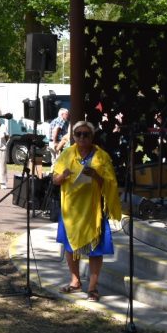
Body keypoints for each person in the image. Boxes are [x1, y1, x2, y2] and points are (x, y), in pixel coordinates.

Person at [52, 120, 121, 302]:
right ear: (73, 136)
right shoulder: (67, 154)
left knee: (95, 250)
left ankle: (92, 287)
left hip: (93, 210)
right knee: (70, 247)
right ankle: (75, 281)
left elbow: (111, 183)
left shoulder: (101, 156)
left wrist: (96, 176)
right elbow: (54, 180)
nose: (82, 137)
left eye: (86, 134)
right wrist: (62, 176)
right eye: (78, 134)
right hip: (71, 210)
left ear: (92, 136)